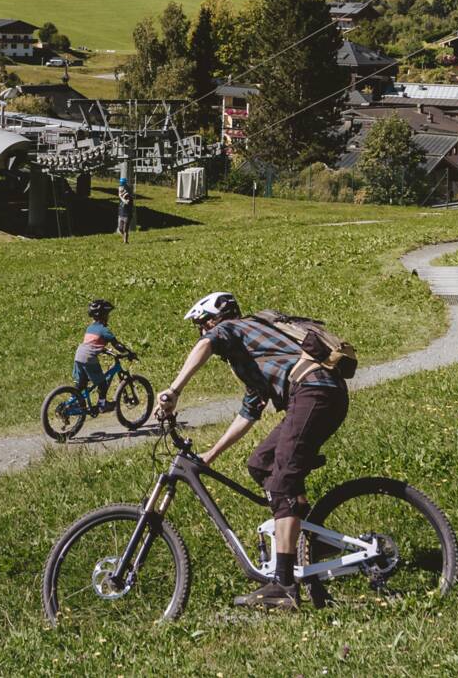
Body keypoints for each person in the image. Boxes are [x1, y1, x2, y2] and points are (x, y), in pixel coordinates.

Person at [155, 292, 349, 611]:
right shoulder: (249, 357)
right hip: (318, 395)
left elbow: (206, 344)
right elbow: (248, 413)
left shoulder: (235, 328)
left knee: (282, 483)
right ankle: (312, 541)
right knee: (261, 465)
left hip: (314, 393)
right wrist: (209, 455)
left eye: (203, 325)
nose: (202, 333)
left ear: (215, 320)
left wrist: (174, 391)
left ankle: (284, 586)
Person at [74, 299, 131, 413]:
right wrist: (129, 353)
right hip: (89, 358)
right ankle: (102, 404)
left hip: (79, 355)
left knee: (81, 384)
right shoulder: (104, 330)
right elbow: (117, 345)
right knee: (102, 383)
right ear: (104, 315)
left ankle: (74, 405)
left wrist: (103, 350)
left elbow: (92, 343)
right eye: (108, 314)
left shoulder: (90, 328)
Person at [116, 178, 133, 244]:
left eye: (121, 188)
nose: (120, 189)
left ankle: (125, 241)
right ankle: (124, 238)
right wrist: (120, 195)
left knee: (125, 229)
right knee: (120, 229)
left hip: (127, 214)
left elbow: (127, 202)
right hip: (121, 213)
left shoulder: (128, 195)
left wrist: (120, 197)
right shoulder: (122, 193)